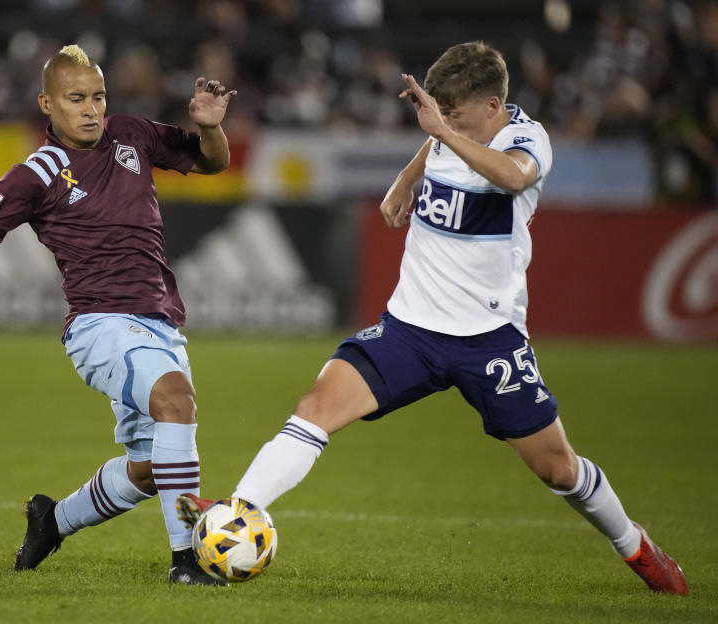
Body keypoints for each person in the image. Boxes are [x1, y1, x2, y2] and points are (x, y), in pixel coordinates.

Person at [178, 41, 688, 595]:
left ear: (493, 106)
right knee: (315, 406)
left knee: (558, 470)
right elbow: (436, 142)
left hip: (488, 341)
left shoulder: (526, 140)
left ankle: (635, 546)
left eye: (455, 114)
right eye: (438, 114)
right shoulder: (446, 131)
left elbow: (513, 179)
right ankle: (238, 509)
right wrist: (406, 179)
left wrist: (442, 134)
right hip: (410, 329)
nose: (442, 123)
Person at [0, 44, 236, 586]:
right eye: (76, 99)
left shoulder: (132, 134)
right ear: (47, 103)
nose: (91, 108)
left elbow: (214, 161)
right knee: (176, 403)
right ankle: (187, 559)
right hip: (100, 325)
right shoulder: (37, 173)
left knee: (150, 470)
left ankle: (51, 521)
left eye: (98, 97)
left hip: (160, 323)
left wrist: (209, 128)